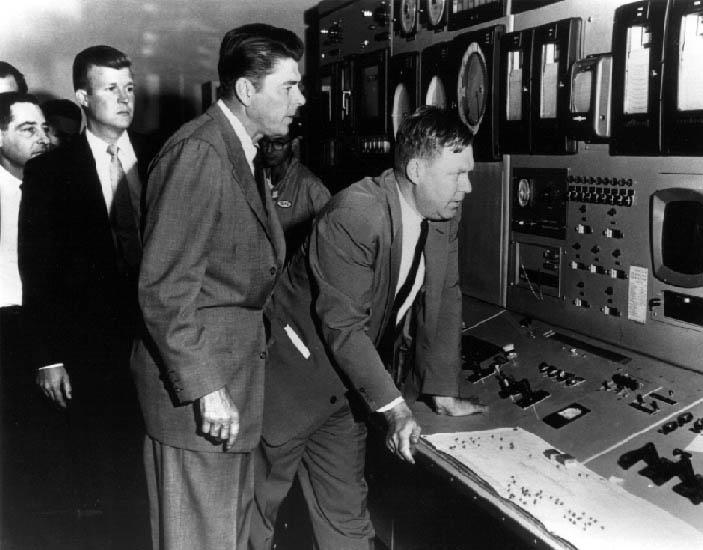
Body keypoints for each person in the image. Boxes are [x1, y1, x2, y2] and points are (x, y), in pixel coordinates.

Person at [250, 106, 487, 550]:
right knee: (253, 522)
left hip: (348, 391)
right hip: (287, 383)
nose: (467, 187)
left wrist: (442, 387)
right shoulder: (356, 213)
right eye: (457, 174)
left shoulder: (441, 215)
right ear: (416, 169)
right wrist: (394, 408)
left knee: (349, 525)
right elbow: (343, 326)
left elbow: (445, 295)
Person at [131, 23, 305, 550]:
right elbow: (163, 289)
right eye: (288, 86)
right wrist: (208, 388)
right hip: (200, 398)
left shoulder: (239, 151)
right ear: (248, 91)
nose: (300, 100)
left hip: (229, 389)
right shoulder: (201, 153)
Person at [18, 45, 152, 523]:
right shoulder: (51, 171)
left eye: (129, 89)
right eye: (110, 88)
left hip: (158, 338)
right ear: (81, 96)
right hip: (91, 346)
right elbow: (38, 267)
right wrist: (48, 356)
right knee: (110, 471)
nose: (124, 99)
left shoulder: (161, 157)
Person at [255, 132, 330, 260]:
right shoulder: (256, 179)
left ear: (293, 144)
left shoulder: (311, 187)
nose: (269, 149)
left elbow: (329, 237)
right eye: (265, 142)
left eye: (278, 144)